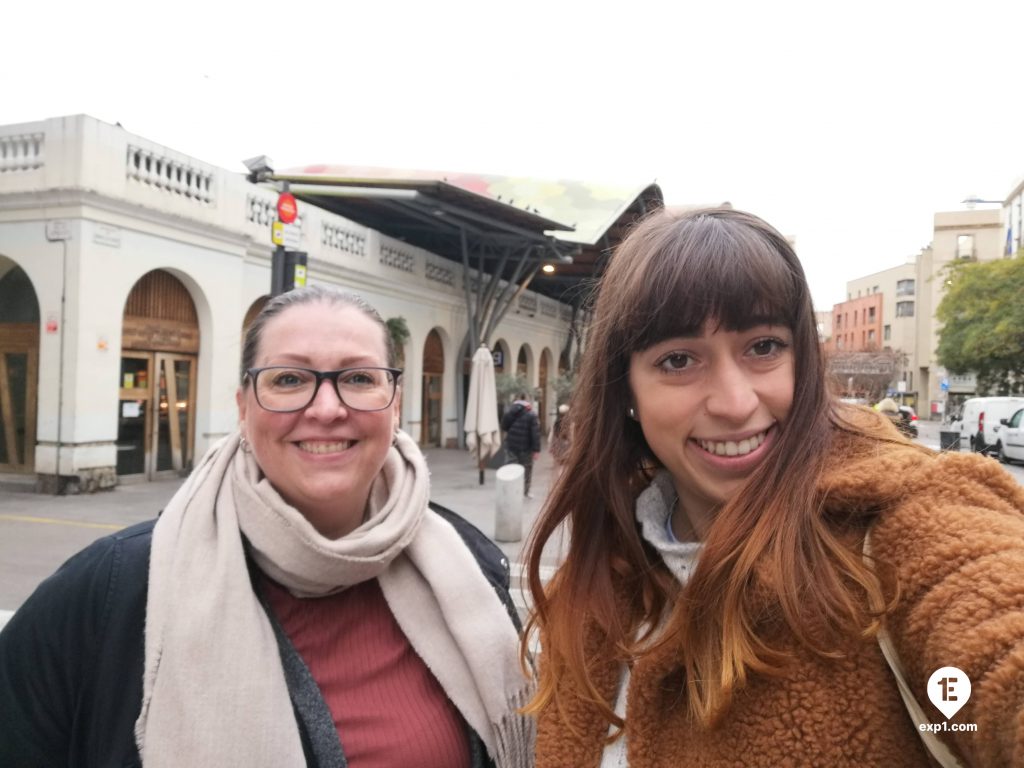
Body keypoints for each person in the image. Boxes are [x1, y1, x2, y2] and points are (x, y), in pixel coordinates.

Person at [524, 208, 1024, 767]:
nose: (735, 403)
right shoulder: (599, 579)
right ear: (626, 392)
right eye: (678, 360)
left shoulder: (904, 521)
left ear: (802, 360)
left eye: (763, 347)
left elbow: (993, 623)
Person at [0, 286, 534, 768]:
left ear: (394, 404)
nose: (327, 408)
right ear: (243, 407)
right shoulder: (111, 591)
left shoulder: (467, 565)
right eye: (289, 379)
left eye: (358, 378)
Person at [501, 393, 541, 498]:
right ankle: (525, 492)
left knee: (511, 468)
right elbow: (535, 433)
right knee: (527, 469)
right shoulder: (532, 414)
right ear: (527, 401)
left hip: (511, 445)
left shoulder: (509, 412)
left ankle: (510, 491)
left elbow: (504, 427)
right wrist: (536, 450)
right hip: (526, 448)